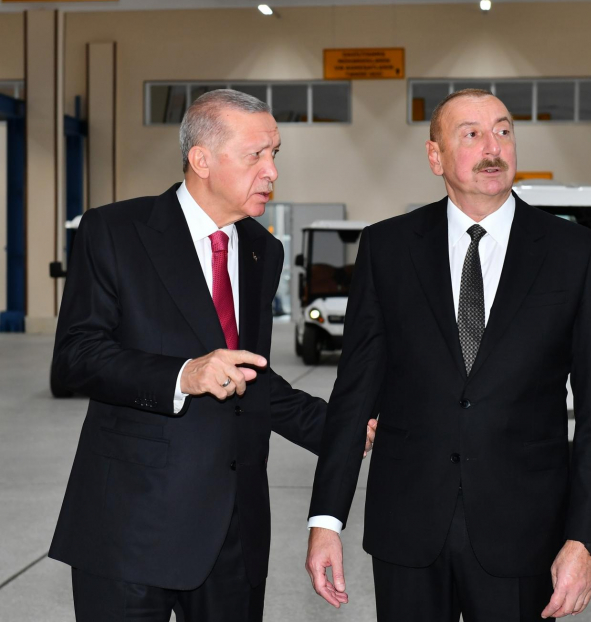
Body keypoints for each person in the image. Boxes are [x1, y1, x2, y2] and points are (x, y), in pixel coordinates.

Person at [49, 90, 375, 622]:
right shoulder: (115, 231)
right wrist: (183, 374)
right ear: (201, 159)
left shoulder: (262, 250)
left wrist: (339, 429)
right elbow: (76, 356)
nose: (272, 171)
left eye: (275, 153)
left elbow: (251, 377)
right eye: (256, 155)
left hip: (234, 534)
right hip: (130, 528)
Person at [305, 89, 591, 621]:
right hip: (407, 530)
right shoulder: (387, 249)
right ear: (436, 157)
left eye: (503, 131)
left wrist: (585, 540)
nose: (493, 147)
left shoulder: (576, 254)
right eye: (471, 134)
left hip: (524, 534)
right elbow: (354, 394)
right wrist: (326, 520)